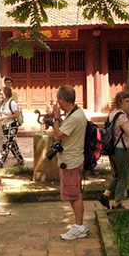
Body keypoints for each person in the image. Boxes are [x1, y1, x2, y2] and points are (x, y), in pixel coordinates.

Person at [52, 85, 88, 240]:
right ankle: (80, 224)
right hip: (71, 159)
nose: (57, 103)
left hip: (71, 161)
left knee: (74, 195)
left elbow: (57, 135)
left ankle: (79, 226)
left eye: (58, 100)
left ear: (63, 99)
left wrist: (56, 117)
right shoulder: (75, 113)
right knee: (73, 194)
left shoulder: (73, 117)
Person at [98, 91, 129, 210]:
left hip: (112, 149)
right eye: (126, 101)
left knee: (118, 175)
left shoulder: (112, 114)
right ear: (120, 102)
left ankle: (105, 195)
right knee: (123, 176)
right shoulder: (122, 116)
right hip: (122, 149)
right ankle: (118, 203)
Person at [0, 87, 24, 166]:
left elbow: (16, 114)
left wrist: (5, 117)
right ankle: (20, 159)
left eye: (2, 94)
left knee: (6, 143)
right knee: (12, 143)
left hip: (12, 125)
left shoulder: (12, 103)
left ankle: (1, 161)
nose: (1, 96)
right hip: (5, 125)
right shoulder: (3, 103)